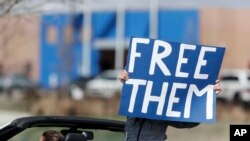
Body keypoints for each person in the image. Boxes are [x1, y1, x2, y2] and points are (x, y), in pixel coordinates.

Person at [118, 70, 222, 141]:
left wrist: (208, 95)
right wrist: (127, 81)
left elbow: (190, 121)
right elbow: (128, 100)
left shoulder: (163, 109)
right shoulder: (135, 104)